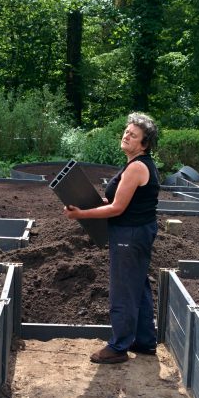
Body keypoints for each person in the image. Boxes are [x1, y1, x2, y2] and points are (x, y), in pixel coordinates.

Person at [64, 112, 160, 364]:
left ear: (145, 144)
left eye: (134, 135)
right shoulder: (136, 164)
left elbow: (117, 209)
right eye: (127, 131)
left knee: (123, 290)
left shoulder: (137, 167)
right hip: (138, 231)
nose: (127, 135)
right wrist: (95, 203)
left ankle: (118, 347)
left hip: (130, 234)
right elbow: (120, 202)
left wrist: (82, 213)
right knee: (138, 287)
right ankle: (145, 341)